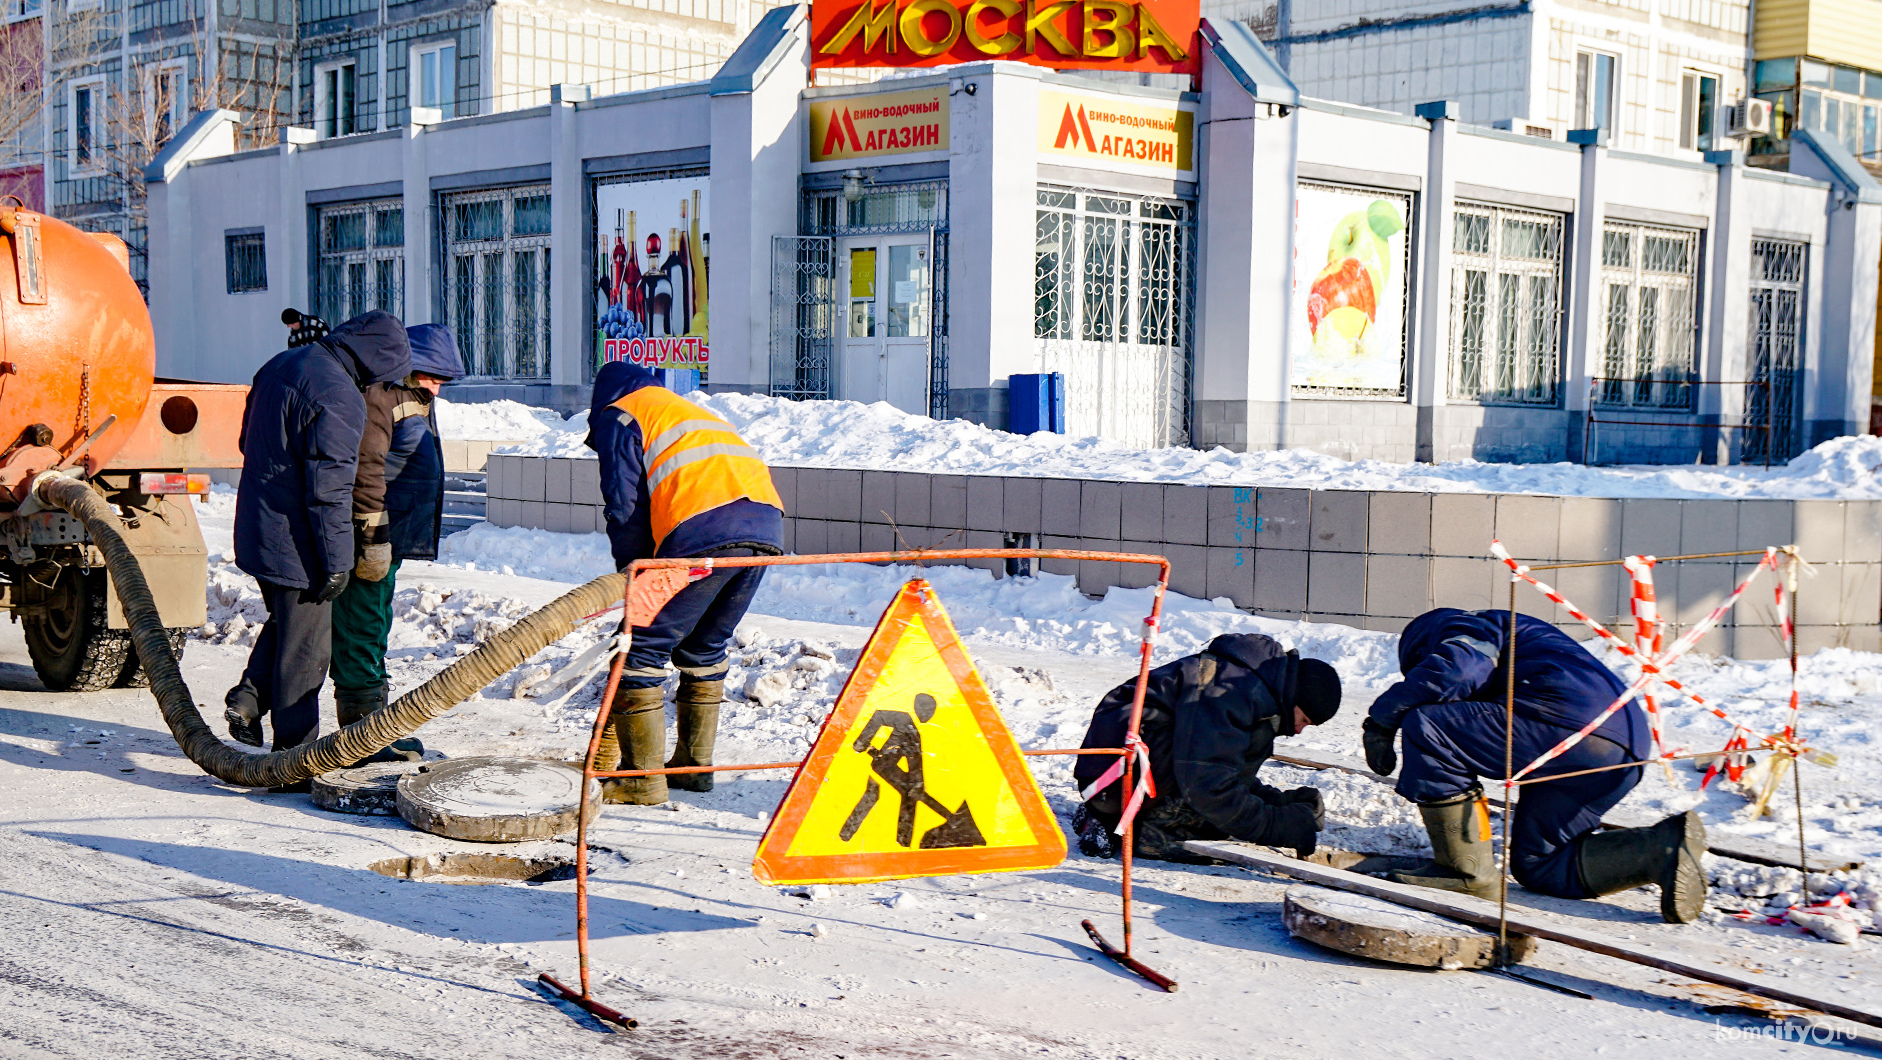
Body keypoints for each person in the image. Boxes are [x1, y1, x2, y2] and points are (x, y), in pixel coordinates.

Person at [1361, 607, 1707, 923]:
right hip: (1628, 745)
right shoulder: (1527, 637)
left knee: (1428, 726)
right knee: (1540, 863)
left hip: (1566, 724)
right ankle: (1659, 849)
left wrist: (1383, 718)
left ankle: (1465, 872)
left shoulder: (1459, 626)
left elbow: (1456, 672)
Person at [585, 360, 784, 804]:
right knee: (703, 648)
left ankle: (641, 781)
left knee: (640, 648)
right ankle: (693, 770)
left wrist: (635, 574)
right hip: (766, 528)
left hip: (702, 532)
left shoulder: (622, 414)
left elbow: (626, 507)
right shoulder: (687, 412)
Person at [224, 311, 411, 762]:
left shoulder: (280, 365)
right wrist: (337, 561)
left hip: (257, 524)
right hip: (298, 543)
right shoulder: (340, 395)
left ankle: (248, 701)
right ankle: (294, 756)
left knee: (291, 628)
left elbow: (246, 441)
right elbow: (331, 491)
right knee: (306, 652)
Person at [1072, 633, 1343, 863]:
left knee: (1232, 778)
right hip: (1109, 780)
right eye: (1304, 720)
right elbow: (1209, 787)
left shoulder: (1253, 688)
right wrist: (1278, 826)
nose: (1298, 731)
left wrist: (1282, 804)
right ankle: (1147, 832)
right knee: (1217, 817)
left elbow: (1226, 770)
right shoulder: (1232, 690)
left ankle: (1119, 817)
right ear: (1293, 697)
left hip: (1122, 773)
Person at [327, 323, 466, 761]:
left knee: (375, 623)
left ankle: (373, 727)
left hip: (392, 534)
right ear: (409, 366)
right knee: (361, 625)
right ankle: (362, 738)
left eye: (443, 381)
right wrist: (371, 536)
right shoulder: (380, 398)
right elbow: (366, 471)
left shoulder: (415, 396)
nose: (438, 390)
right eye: (432, 378)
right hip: (372, 533)